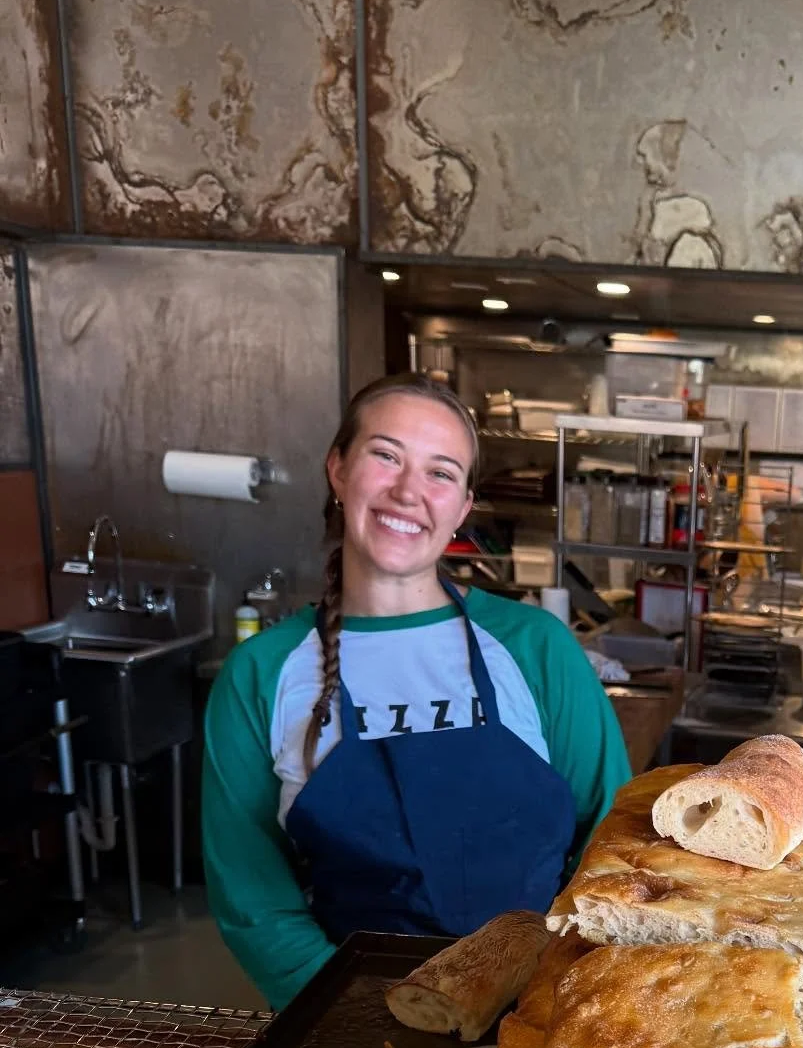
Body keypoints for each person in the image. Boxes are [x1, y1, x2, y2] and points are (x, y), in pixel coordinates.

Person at [202, 372, 629, 1008]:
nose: (408, 491)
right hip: (346, 1015)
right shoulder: (262, 674)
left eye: (440, 472)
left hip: (543, 1009)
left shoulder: (534, 647)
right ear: (339, 469)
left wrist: (560, 996)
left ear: (461, 506)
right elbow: (251, 894)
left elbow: (613, 842)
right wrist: (355, 1018)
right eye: (385, 455)